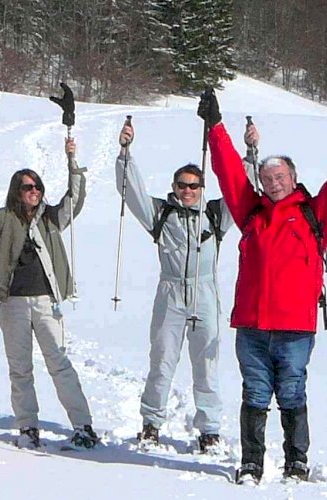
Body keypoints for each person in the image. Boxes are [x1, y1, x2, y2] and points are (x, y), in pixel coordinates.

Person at [200, 89, 327, 483]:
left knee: (293, 393)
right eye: (267, 178)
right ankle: (251, 461)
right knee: (256, 394)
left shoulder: (315, 214)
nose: (274, 182)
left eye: (280, 176)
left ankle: (297, 460)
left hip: (295, 328)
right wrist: (215, 126)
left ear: (293, 178)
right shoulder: (251, 212)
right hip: (251, 326)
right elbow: (229, 171)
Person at [114, 118, 234, 453]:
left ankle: (209, 429)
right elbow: (130, 191)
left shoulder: (214, 215)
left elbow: (243, 191)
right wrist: (125, 152)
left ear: (202, 187)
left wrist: (252, 154)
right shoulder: (161, 214)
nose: (187, 190)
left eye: (194, 185)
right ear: (174, 185)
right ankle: (151, 423)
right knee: (163, 359)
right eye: (182, 185)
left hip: (204, 293)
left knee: (206, 362)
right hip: (170, 293)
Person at [0, 137, 98, 450]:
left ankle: (82, 425)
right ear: (16, 191)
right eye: (26, 187)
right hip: (13, 304)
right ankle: (27, 426)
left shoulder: (50, 218)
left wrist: (72, 163)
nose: (33, 191)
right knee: (20, 368)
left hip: (46, 302)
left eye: (36, 186)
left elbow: (74, 200)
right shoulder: (4, 220)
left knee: (59, 363)